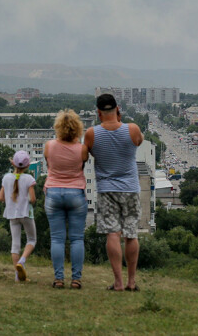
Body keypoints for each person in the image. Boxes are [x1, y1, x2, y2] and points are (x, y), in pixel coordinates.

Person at [84, 93, 143, 292]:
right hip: (130, 189)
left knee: (113, 233)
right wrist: (120, 121)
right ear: (118, 109)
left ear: (98, 113)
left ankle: (117, 282)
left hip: (106, 189)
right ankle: (131, 282)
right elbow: (139, 141)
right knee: (131, 234)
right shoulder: (132, 129)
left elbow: (88, 152)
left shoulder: (91, 134)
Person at [43, 109, 88, 289]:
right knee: (77, 239)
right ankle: (76, 279)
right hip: (76, 193)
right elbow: (82, 166)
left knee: (57, 239)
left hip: (53, 193)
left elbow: (49, 164)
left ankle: (58, 278)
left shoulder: (49, 146)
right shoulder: (82, 149)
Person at [0, 150, 37, 282]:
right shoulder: (29, 179)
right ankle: (22, 260)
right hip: (26, 213)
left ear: (13, 163)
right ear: (27, 166)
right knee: (31, 240)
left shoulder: (6, 178)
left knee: (15, 244)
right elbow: (32, 199)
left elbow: (0, 197)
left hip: (12, 215)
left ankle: (17, 276)